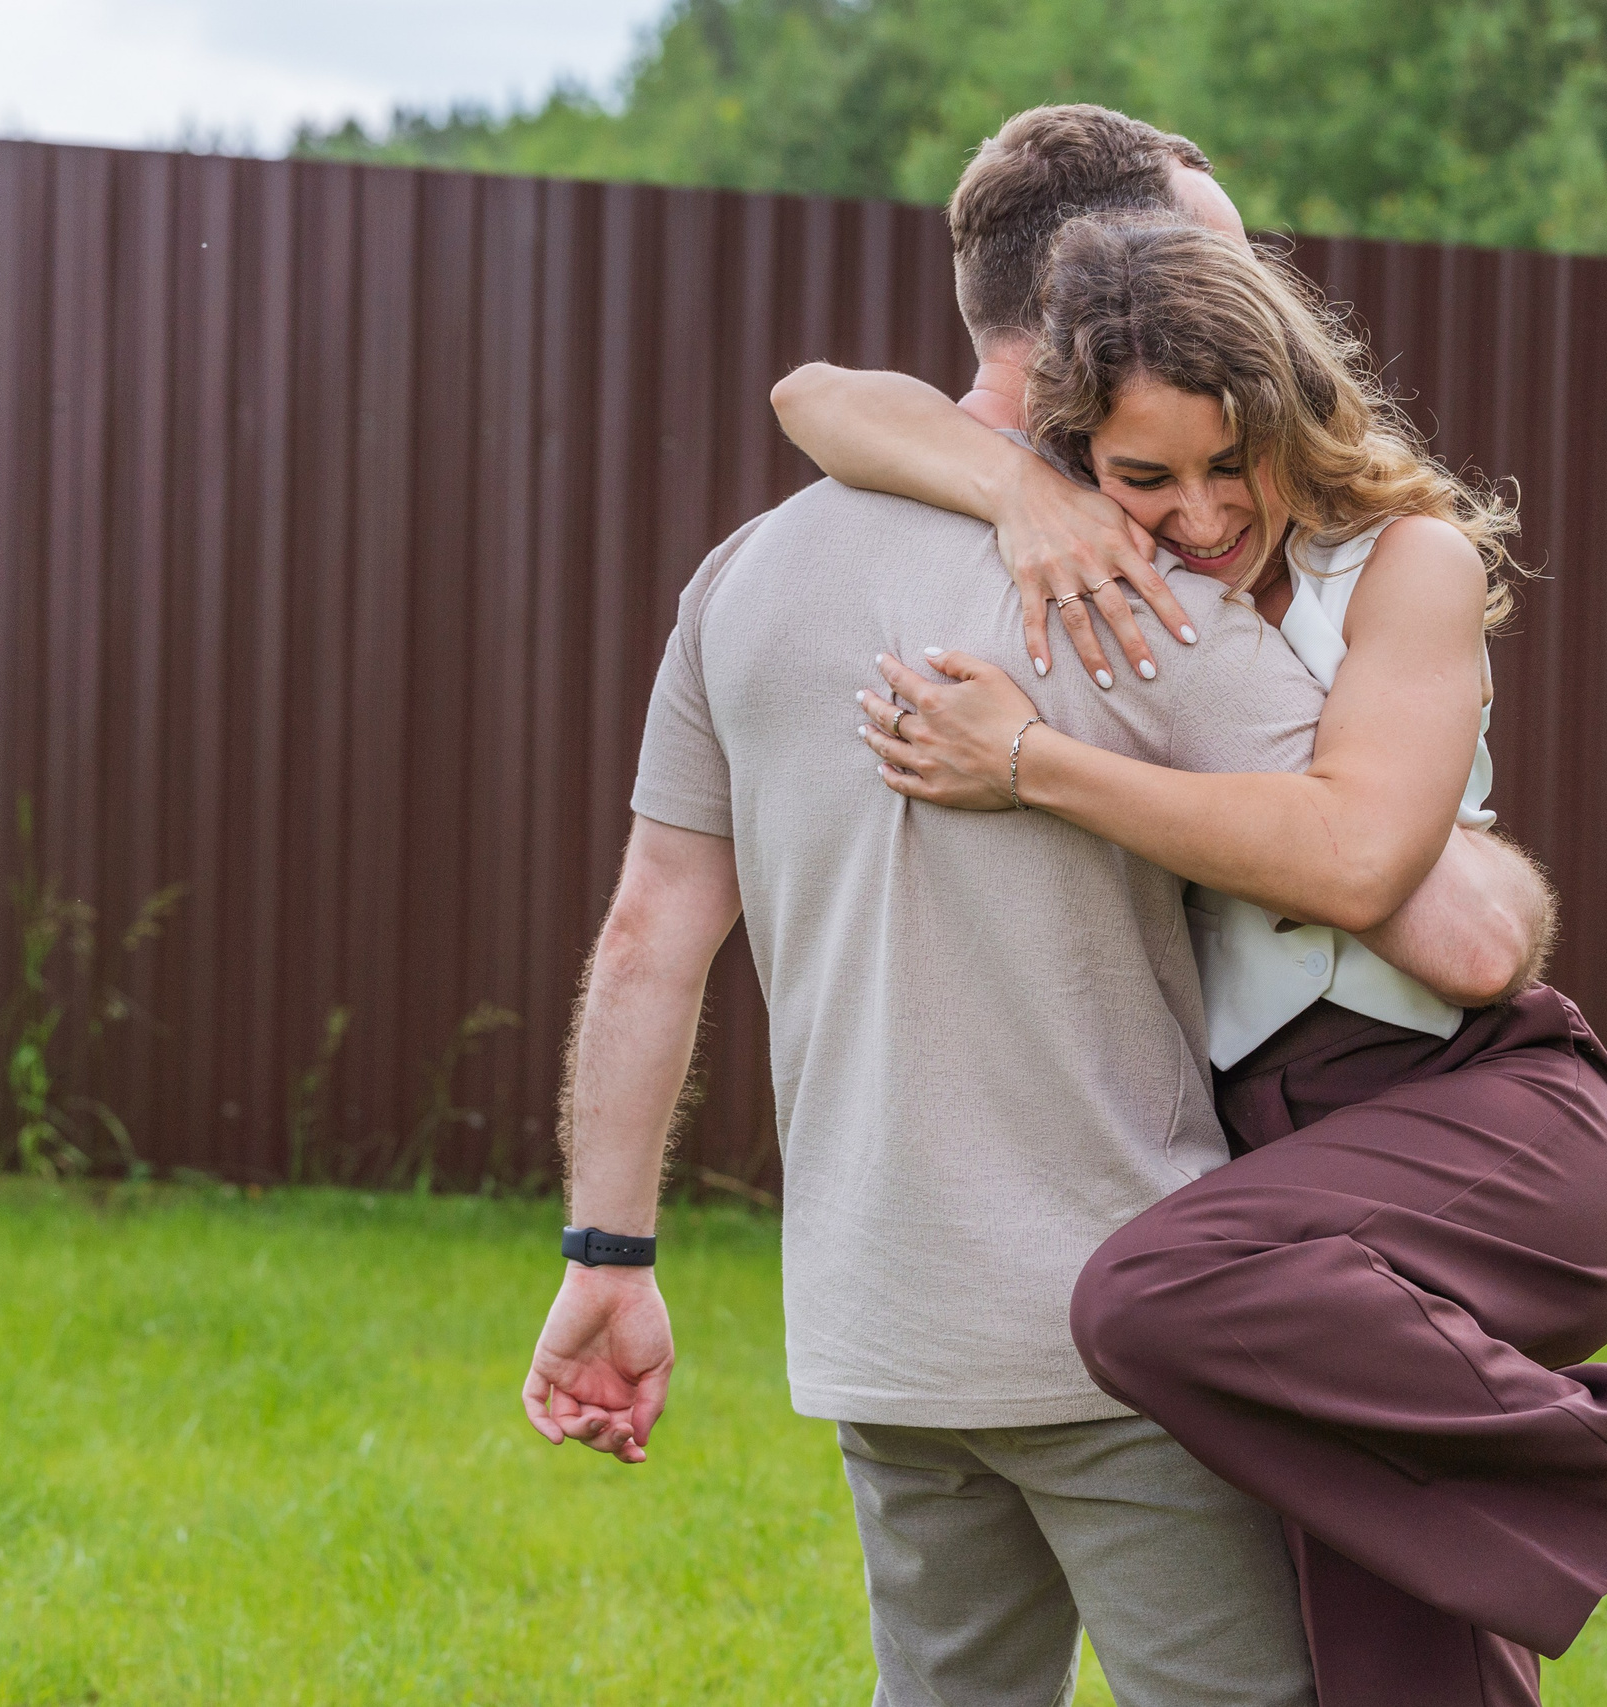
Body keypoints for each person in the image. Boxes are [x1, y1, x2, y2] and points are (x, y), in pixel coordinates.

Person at [774, 215, 1607, 1705]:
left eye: (1228, 462)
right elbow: (814, 396)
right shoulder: (1089, 552)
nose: (1198, 513)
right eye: (1145, 477)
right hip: (1275, 1181)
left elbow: (1363, 861)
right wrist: (1015, 488)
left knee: (1137, 1300)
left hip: (1472, 1117)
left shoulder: (1399, 566)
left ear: (1291, 415)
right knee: (1397, 1650)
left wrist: (1034, 765)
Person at [517, 104, 1550, 1707]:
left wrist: (608, 1255)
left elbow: (654, 929)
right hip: (1127, 1322)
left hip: (880, 1331)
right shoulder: (1143, 604)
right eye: (1209, 257)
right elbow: (1460, 932)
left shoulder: (744, 577)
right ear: (1109, 292)